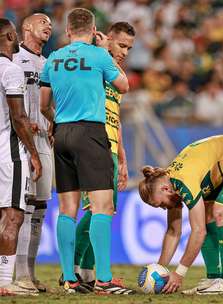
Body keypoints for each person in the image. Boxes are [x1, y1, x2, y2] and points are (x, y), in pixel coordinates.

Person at [40, 8, 133, 294]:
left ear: (67, 31)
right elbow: (124, 86)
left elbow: (44, 104)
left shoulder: (53, 59)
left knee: (67, 210)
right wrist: (104, 50)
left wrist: (58, 122)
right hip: (91, 133)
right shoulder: (98, 55)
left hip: (62, 134)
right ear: (94, 31)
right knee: (103, 206)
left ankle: (70, 278)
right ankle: (103, 280)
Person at [139, 135, 223, 295]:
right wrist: (160, 271)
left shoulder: (183, 180)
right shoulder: (171, 183)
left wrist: (179, 274)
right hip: (221, 166)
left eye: (161, 204)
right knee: (207, 217)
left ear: (165, 189)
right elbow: (173, 232)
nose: (164, 209)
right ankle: (213, 279)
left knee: (221, 213)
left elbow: (199, 232)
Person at [73, 22, 135, 291]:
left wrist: (122, 158)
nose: (125, 52)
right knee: (94, 211)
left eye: (129, 48)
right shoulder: (94, 62)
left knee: (103, 211)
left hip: (110, 147)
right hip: (92, 144)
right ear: (107, 39)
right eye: (121, 45)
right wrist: (97, 49)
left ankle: (86, 274)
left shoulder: (115, 70)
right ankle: (75, 271)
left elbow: (116, 117)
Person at [0, 18, 42, 296]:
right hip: (9, 155)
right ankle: (4, 282)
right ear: (11, 35)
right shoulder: (11, 70)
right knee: (13, 217)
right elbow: (19, 116)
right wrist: (34, 154)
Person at [13, 13, 52, 293]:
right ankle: (19, 274)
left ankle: (32, 273)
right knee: (23, 210)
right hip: (22, 141)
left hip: (45, 143)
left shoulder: (49, 64)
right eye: (42, 22)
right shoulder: (15, 60)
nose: (48, 26)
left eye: (50, 24)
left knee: (39, 210)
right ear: (26, 27)